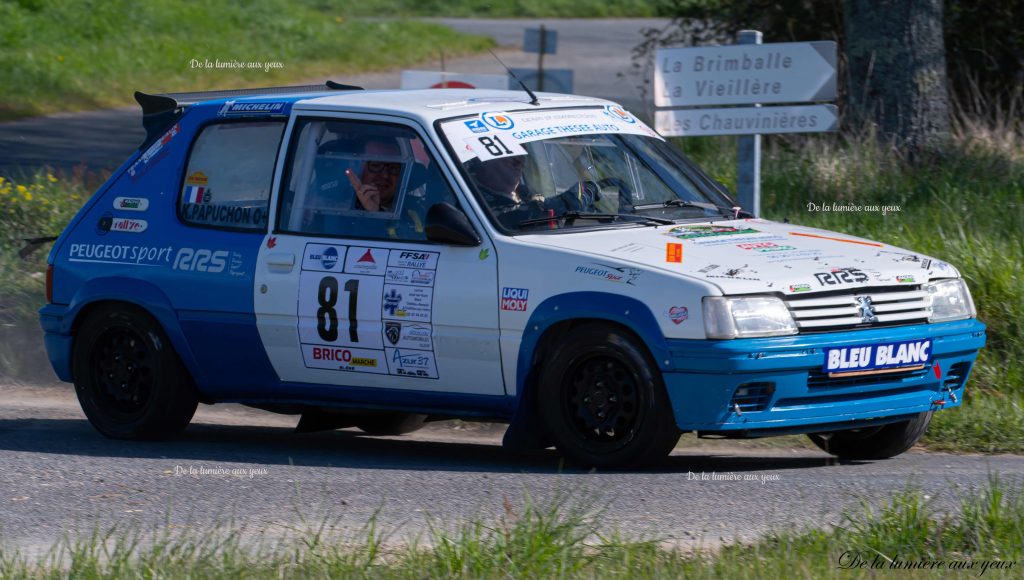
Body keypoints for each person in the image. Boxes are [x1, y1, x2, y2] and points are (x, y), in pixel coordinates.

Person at [469, 155, 599, 228]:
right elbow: (512, 218)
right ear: (482, 159)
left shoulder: (524, 190)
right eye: (509, 153)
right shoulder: (472, 197)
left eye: (522, 148)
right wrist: (567, 201)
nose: (520, 159)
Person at [345, 140, 403, 212]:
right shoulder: (340, 208)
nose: (385, 175)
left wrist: (375, 211)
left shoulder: (414, 211)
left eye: (393, 167)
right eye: (376, 165)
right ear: (357, 168)